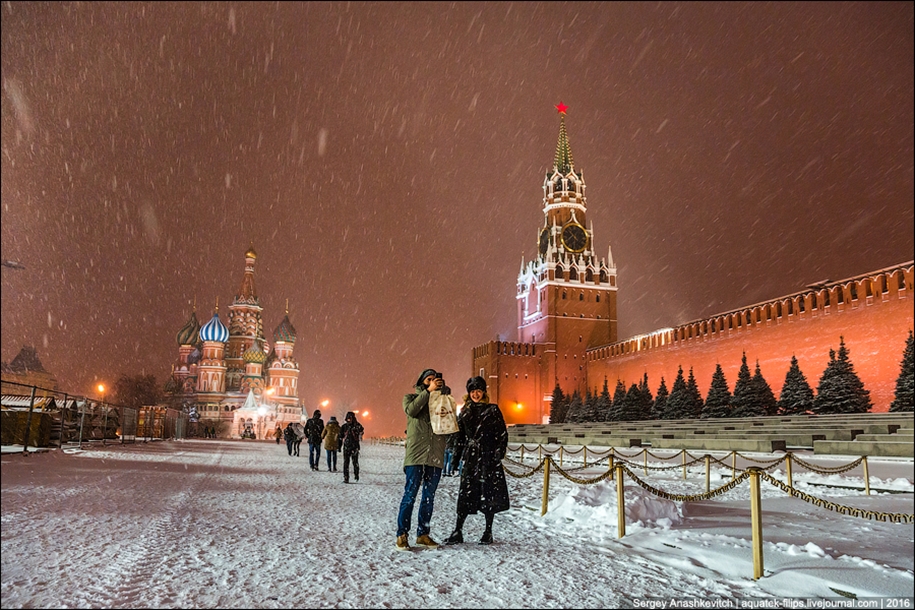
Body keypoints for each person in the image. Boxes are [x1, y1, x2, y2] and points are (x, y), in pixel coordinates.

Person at [445, 376, 510, 546]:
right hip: (471, 457)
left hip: (488, 457)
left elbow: (502, 433)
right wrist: (455, 459)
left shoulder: (493, 410)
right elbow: (458, 436)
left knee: (488, 493)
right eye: (472, 391)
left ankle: (488, 531)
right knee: (465, 493)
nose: (475, 394)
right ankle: (458, 530)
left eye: (478, 390)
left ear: (484, 392)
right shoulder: (465, 411)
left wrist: (498, 452)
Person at [395, 368, 447, 551]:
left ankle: (423, 534)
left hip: (434, 456)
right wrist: (428, 391)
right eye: (429, 379)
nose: (432, 381)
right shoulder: (410, 398)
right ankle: (402, 534)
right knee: (410, 495)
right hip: (415, 457)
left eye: (435, 379)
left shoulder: (441, 400)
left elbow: (449, 420)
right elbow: (412, 411)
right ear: (422, 382)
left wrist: (443, 392)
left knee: (428, 498)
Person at [340, 411, 364, 483]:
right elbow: (340, 435)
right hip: (353, 446)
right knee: (351, 462)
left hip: (350, 446)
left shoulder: (346, 426)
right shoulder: (354, 426)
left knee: (349, 462)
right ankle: (349, 477)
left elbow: (340, 436)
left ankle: (350, 476)